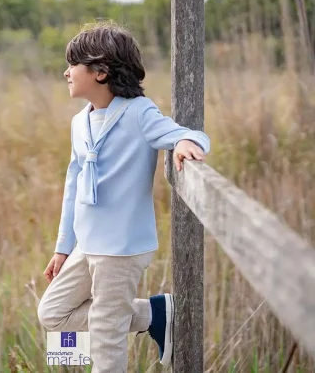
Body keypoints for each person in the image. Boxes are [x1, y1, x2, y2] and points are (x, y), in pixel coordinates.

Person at [36, 21, 210, 372]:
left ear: (100, 72)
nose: (66, 72)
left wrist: (186, 142)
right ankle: (154, 314)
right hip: (87, 242)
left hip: (122, 246)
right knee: (52, 313)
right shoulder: (79, 122)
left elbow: (182, 133)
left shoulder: (138, 112)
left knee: (106, 334)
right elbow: (73, 185)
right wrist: (63, 247)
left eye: (73, 64)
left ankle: (132, 321)